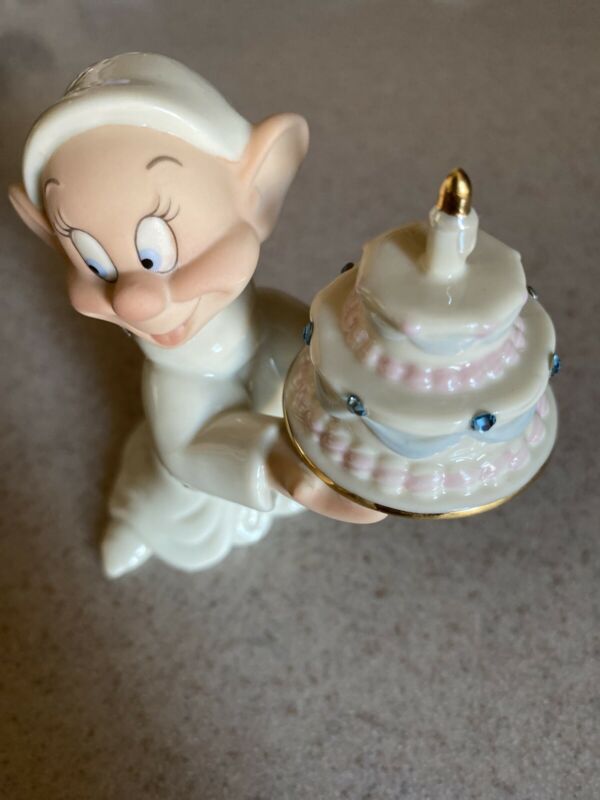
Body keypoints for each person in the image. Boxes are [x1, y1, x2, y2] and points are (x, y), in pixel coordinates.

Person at [10, 53, 383, 578]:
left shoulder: (286, 322)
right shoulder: (172, 381)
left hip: (264, 343)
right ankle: (140, 519)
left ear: (259, 192)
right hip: (195, 401)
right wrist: (286, 470)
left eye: (154, 252)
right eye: (95, 264)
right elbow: (188, 447)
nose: (132, 301)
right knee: (171, 479)